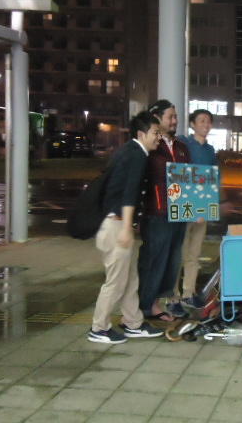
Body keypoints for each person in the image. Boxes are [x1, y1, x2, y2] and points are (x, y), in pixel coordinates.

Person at [88, 111, 164, 344]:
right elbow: (130, 193)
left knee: (130, 279)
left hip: (115, 223)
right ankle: (99, 328)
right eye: (155, 132)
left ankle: (133, 323)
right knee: (116, 282)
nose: (158, 137)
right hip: (116, 226)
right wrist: (126, 228)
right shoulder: (136, 155)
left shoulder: (128, 151)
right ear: (141, 134)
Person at [137, 100, 190, 322]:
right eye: (170, 117)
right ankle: (145, 305)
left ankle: (156, 303)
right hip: (157, 213)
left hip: (179, 213)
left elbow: (189, 180)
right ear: (157, 118)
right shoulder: (150, 146)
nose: (175, 121)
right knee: (154, 261)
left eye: (175, 117)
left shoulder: (181, 147)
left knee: (171, 261)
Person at [167, 109, 219, 317]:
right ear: (192, 124)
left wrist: (207, 207)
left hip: (201, 211)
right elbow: (179, 175)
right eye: (202, 120)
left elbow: (212, 180)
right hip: (184, 208)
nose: (206, 124)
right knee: (177, 255)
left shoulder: (210, 150)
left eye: (209, 121)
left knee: (194, 254)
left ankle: (188, 293)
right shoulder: (183, 144)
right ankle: (173, 297)